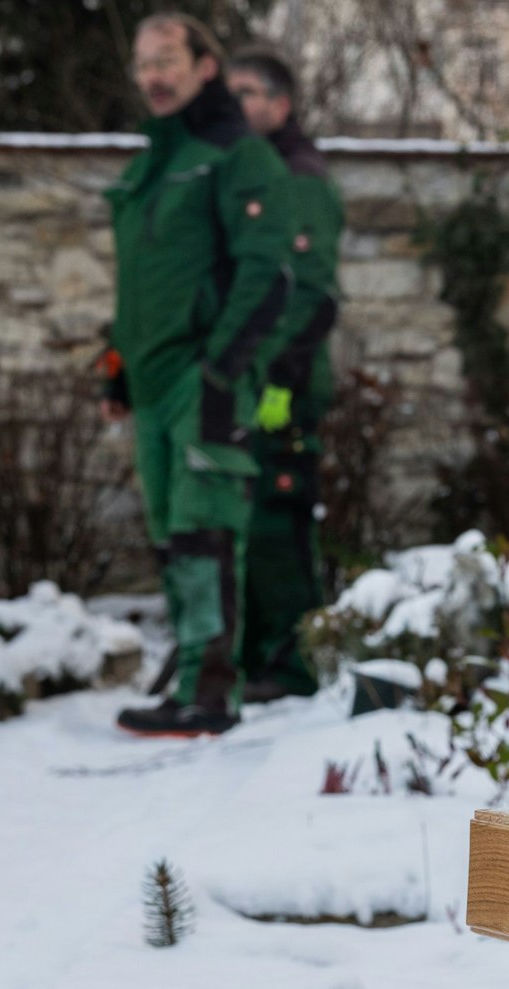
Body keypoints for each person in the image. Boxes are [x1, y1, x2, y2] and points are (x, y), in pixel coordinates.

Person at [100, 13, 293, 737]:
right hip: (149, 385)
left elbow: (268, 275)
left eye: (167, 61)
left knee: (207, 530)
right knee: (173, 537)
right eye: (143, 62)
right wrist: (117, 370)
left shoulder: (236, 157)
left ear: (204, 67)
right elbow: (140, 286)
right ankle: (186, 685)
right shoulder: (151, 166)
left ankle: (211, 693)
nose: (152, 75)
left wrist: (221, 374)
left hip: (203, 378)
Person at [226, 46, 343, 704]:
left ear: (280, 105)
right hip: (251, 382)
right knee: (252, 522)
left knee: (281, 521)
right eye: (232, 92)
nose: (238, 105)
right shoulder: (258, 176)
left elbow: (312, 295)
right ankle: (258, 654)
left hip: (284, 386)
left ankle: (294, 665)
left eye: (249, 93)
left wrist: (280, 385)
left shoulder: (300, 178)